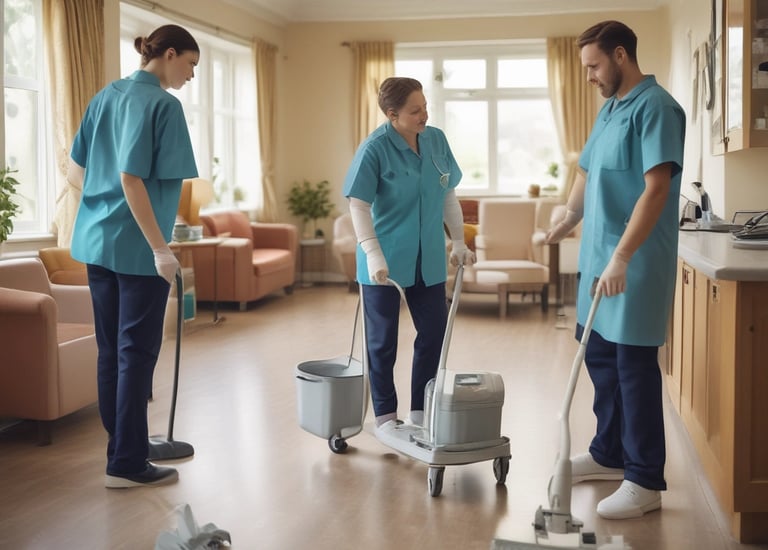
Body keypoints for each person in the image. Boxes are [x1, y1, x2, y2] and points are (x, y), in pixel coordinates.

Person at [546, 21, 686, 519]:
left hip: (635, 261)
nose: (589, 76)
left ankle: (644, 478)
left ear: (621, 55)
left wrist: (623, 256)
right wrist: (567, 218)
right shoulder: (609, 110)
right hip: (597, 260)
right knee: (600, 361)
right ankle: (609, 452)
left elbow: (656, 189)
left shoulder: (658, 108)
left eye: (593, 65)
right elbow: (587, 172)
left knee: (633, 371)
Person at [68, 24, 199, 488]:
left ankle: (129, 444)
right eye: (189, 64)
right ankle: (126, 464)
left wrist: (101, 209)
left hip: (95, 242)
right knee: (136, 353)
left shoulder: (105, 96)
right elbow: (132, 179)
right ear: (167, 54)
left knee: (112, 351)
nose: (190, 75)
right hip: (139, 249)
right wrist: (160, 249)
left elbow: (74, 170)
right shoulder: (162, 104)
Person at [343, 77, 475, 433]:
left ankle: (420, 410)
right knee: (382, 341)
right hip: (384, 260)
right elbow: (358, 204)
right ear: (392, 114)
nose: (424, 115)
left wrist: (459, 242)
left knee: (433, 333)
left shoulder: (436, 140)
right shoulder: (374, 149)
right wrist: (372, 253)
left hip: (428, 258)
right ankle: (385, 416)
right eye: (415, 110)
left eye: (425, 107)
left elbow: (447, 193)